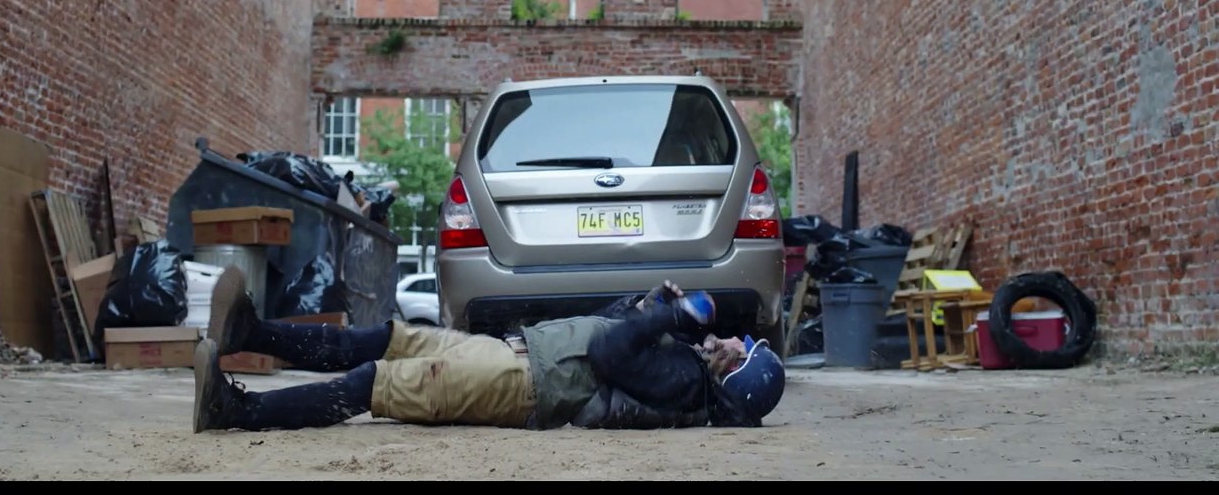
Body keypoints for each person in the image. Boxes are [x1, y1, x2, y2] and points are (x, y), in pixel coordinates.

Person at [192, 266, 786, 434]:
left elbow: (608, 356)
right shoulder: (685, 365)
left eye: (739, 350)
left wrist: (665, 316)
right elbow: (609, 329)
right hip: (519, 354)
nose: (732, 339)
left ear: (734, 377)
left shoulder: (686, 385)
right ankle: (254, 336)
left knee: (378, 382)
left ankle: (236, 413)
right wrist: (651, 303)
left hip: (521, 386)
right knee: (387, 337)